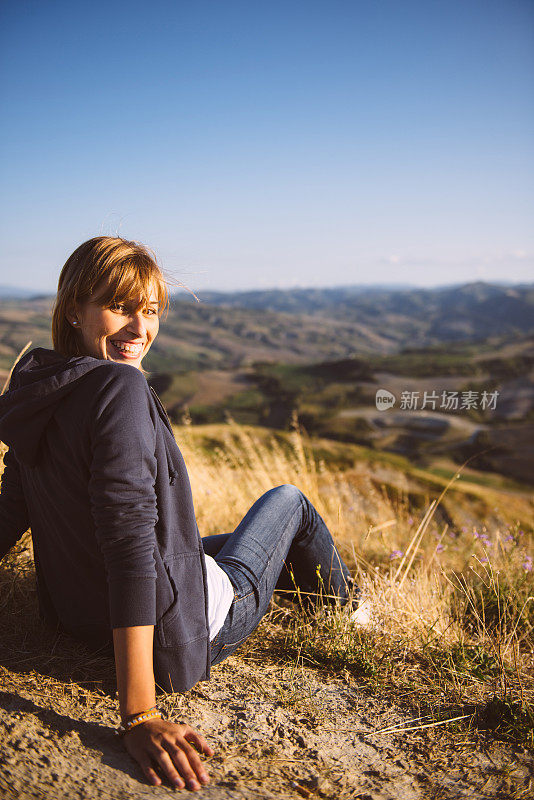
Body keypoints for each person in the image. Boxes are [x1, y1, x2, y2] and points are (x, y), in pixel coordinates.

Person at [0, 236, 365, 792]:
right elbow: (128, 548)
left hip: (78, 617)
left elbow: (11, 513)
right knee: (290, 503)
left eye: (150, 313)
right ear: (73, 307)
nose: (139, 329)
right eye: (120, 307)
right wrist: (140, 713)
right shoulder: (119, 388)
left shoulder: (38, 385)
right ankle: (352, 615)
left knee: (201, 540)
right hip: (180, 627)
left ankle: (309, 591)